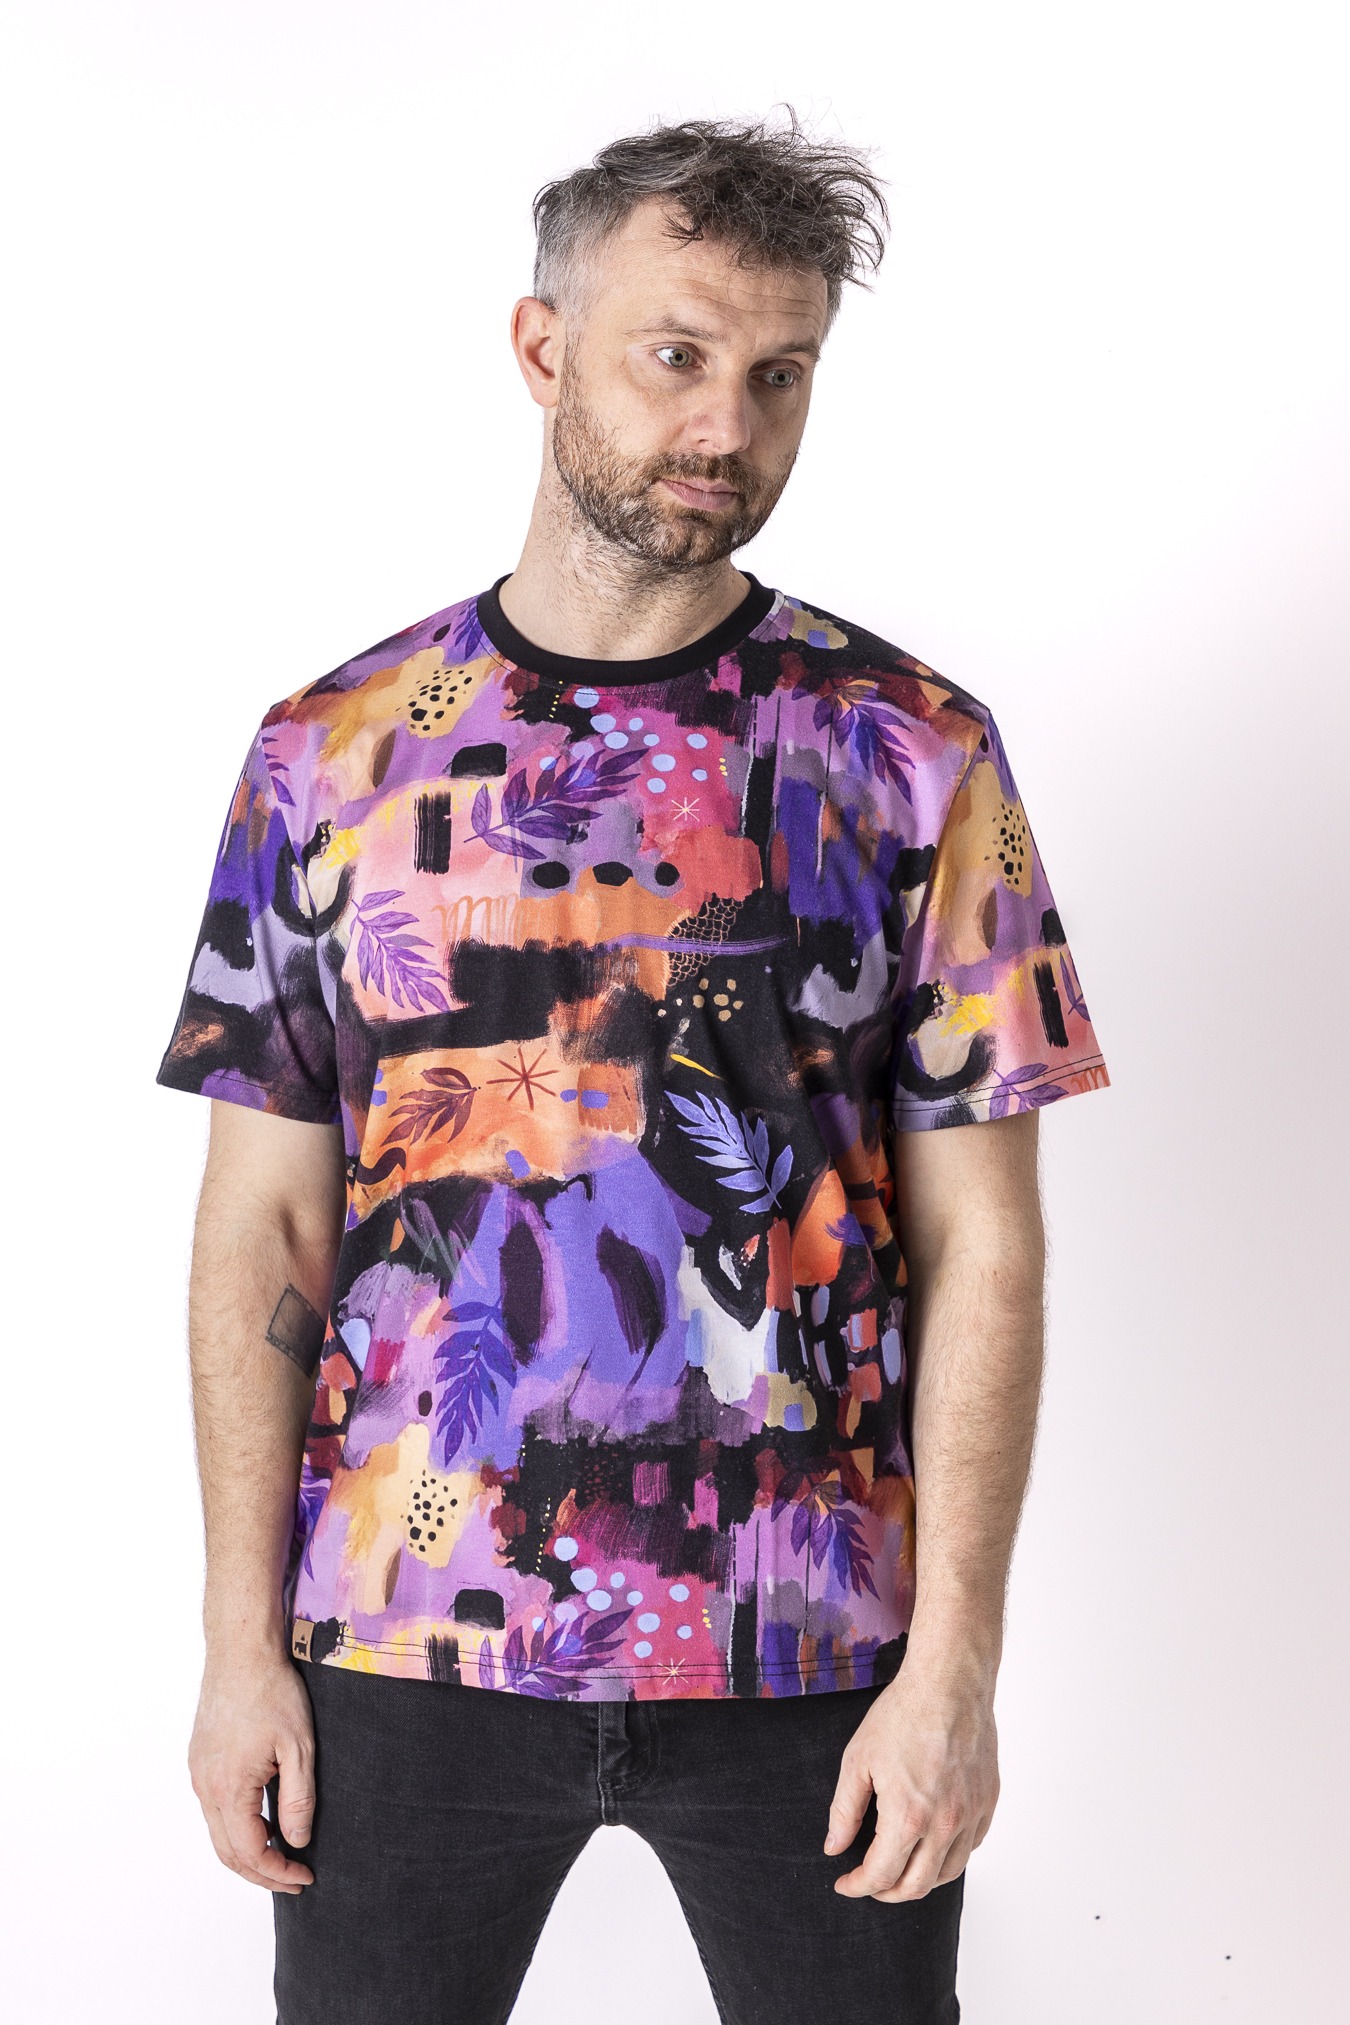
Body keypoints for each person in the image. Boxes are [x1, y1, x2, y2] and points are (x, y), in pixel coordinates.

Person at [156, 107, 1109, 2025]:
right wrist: (238, 1646)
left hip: (812, 1644)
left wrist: (954, 1668)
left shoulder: (911, 750)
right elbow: (265, 1231)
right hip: (400, 1639)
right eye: (675, 355)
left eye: (779, 374)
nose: (723, 425)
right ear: (541, 349)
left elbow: (984, 1247)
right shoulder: (331, 751)